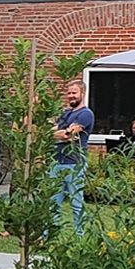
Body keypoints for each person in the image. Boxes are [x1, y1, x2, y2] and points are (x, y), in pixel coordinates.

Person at [50, 81, 92, 235]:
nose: (71, 96)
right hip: (56, 162)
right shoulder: (66, 113)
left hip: (74, 163)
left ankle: (79, 236)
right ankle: (49, 235)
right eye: (69, 93)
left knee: (76, 202)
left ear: (82, 93)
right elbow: (55, 131)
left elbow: (68, 135)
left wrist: (57, 134)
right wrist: (57, 133)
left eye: (74, 93)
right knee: (53, 202)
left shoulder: (86, 114)